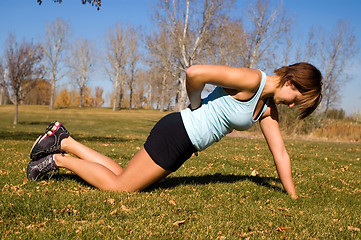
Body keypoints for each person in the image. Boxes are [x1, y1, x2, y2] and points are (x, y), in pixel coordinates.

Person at [27, 62, 322, 199]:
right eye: (299, 100)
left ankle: (65, 141)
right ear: (292, 83)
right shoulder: (251, 80)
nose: (295, 106)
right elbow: (195, 73)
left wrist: (293, 196)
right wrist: (195, 104)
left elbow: (280, 152)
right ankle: (56, 160)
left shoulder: (268, 107)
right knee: (121, 187)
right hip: (178, 132)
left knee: (122, 177)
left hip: (183, 141)